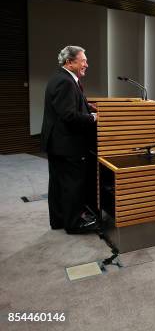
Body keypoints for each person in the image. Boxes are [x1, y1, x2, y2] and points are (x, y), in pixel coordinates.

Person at [41, 46, 98, 234]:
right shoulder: (65, 82)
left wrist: (87, 105)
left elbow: (68, 105)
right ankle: (74, 224)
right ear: (70, 62)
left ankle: (58, 220)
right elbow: (69, 115)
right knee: (72, 184)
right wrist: (93, 118)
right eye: (83, 61)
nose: (86, 65)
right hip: (67, 144)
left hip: (57, 143)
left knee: (58, 185)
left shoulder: (61, 78)